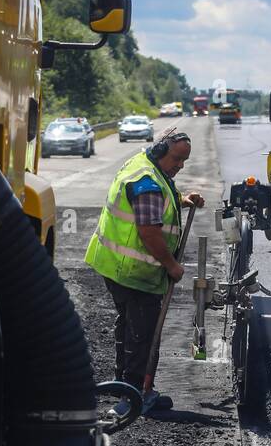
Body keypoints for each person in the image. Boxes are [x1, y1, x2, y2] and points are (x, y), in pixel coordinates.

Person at [85, 129, 205, 419]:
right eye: (177, 159)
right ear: (162, 150)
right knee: (143, 334)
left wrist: (182, 199)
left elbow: (159, 197)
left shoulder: (142, 164)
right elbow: (149, 232)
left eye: (184, 160)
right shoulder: (148, 182)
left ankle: (126, 387)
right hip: (134, 271)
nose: (180, 165)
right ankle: (136, 395)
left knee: (129, 326)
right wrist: (172, 266)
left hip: (114, 265)